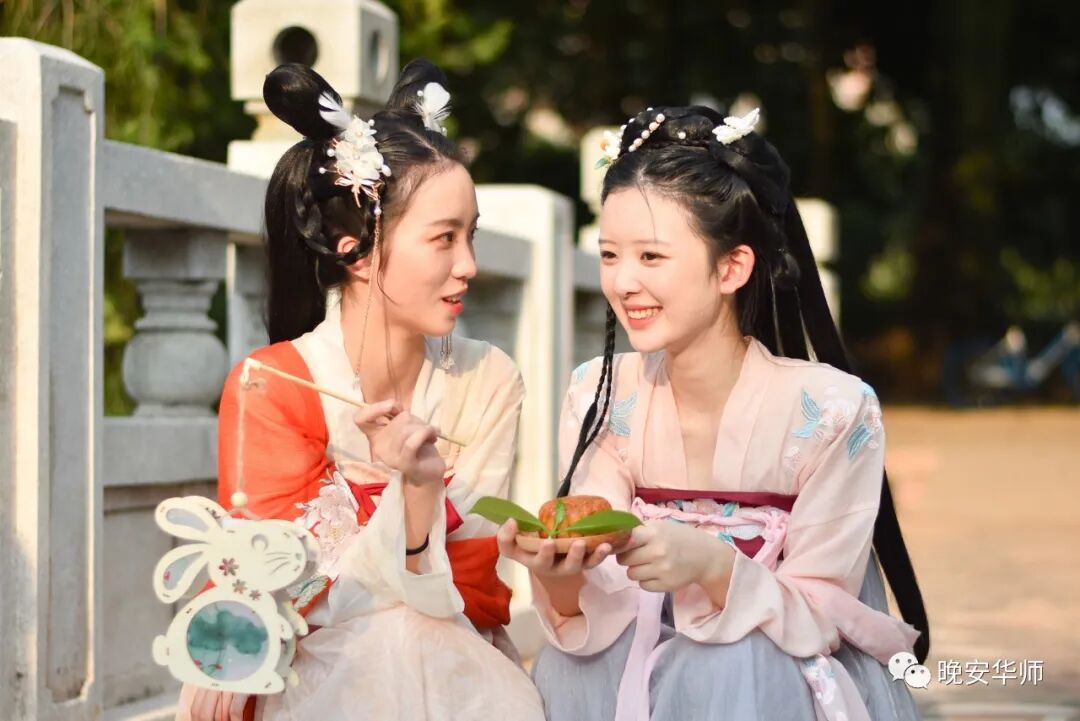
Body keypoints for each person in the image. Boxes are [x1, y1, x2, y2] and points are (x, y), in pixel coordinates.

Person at [498, 105, 929, 721]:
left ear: (732, 267)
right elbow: (596, 598)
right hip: (629, 656)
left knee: (728, 660)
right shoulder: (601, 393)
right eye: (610, 255)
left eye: (651, 257)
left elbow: (823, 610)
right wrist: (559, 572)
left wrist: (713, 564)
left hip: (774, 673)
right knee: (572, 664)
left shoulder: (832, 410)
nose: (622, 282)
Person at [178, 60, 543, 721]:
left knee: (412, 636)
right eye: (443, 238)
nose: (468, 265)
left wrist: (411, 507)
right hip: (298, 670)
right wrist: (414, 514)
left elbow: (476, 587)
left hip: (452, 661)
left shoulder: (488, 380)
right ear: (357, 251)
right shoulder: (275, 384)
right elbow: (275, 589)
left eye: (471, 235)